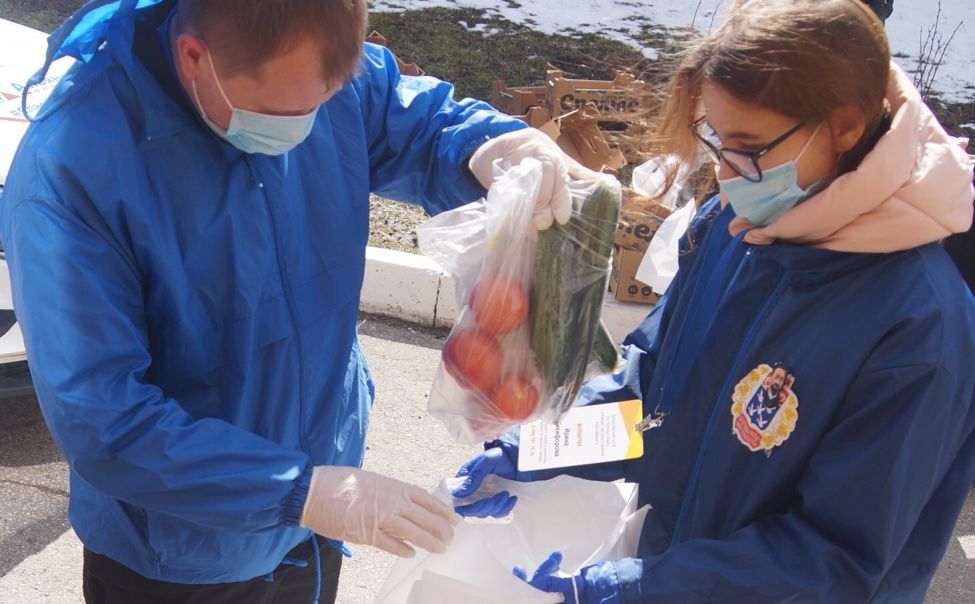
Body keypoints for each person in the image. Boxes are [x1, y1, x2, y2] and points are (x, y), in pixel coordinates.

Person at [0, 0, 590, 602]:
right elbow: (104, 417)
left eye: (323, 102)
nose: (305, 130)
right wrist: (296, 490)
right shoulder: (72, 171)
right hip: (180, 554)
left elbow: (409, 118)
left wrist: (490, 145)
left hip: (314, 518)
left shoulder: (305, 67)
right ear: (194, 56)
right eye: (286, 113)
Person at [451, 0, 975, 601]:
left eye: (748, 146)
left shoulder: (920, 328)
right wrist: (537, 447)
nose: (725, 173)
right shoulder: (735, 232)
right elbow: (653, 399)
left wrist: (639, 587)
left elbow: (837, 557)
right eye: (718, 141)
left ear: (847, 127)